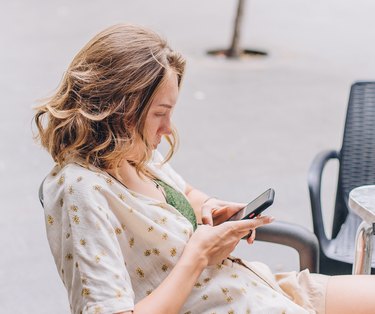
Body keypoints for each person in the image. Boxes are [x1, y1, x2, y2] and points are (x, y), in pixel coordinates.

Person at [34, 23, 375, 314]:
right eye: (159, 113)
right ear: (118, 107)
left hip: (256, 286)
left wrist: (210, 207)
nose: (168, 128)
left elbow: (184, 194)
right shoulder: (79, 189)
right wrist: (198, 255)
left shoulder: (133, 153)